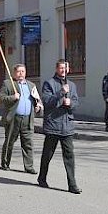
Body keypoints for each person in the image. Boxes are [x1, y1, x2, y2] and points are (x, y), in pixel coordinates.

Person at [38, 60, 82, 194]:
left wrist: (70, 103)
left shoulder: (72, 85)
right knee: (47, 154)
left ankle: (72, 184)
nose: (63, 70)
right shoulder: (49, 83)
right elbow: (47, 101)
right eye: (61, 68)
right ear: (57, 69)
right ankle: (42, 177)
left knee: (69, 156)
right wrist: (60, 93)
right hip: (53, 124)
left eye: (65, 68)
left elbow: (76, 101)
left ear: (68, 69)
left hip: (67, 125)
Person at [0, 64, 42, 173]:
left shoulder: (31, 85)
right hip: (14, 118)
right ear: (14, 73)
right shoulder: (8, 84)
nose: (21, 74)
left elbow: (37, 100)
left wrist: (38, 107)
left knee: (28, 143)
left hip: (27, 119)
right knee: (9, 141)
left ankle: (29, 166)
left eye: (23, 71)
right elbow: (1, 98)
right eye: (18, 71)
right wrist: (13, 97)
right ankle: (5, 163)